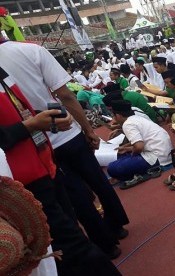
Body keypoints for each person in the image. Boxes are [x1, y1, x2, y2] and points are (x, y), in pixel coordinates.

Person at [0, 40, 129, 261]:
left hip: (37, 145)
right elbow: (66, 95)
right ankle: (117, 226)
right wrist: (88, 130)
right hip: (67, 131)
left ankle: (106, 246)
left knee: (76, 196)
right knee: (97, 180)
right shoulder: (31, 49)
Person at [107, 100, 173, 189]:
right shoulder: (136, 118)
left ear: (118, 115)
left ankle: (129, 174)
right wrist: (127, 149)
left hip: (157, 157)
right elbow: (141, 143)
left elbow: (139, 147)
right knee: (121, 155)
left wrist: (132, 155)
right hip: (164, 152)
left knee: (112, 168)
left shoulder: (127, 124)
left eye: (113, 116)